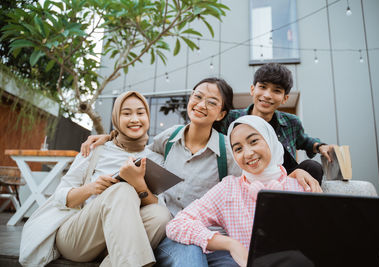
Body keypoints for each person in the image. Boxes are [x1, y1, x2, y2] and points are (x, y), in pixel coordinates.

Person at [80, 78, 321, 267]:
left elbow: (258, 173)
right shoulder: (168, 137)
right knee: (190, 256)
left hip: (213, 236)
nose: (201, 104)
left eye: (212, 102)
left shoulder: (231, 148)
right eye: (198, 96)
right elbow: (141, 145)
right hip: (170, 232)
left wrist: (294, 174)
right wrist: (110, 139)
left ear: (222, 114)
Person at [19, 91, 171, 267]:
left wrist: (139, 186)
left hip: (113, 243)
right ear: (116, 118)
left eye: (140, 113)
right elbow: (60, 196)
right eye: (127, 113)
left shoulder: (155, 158)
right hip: (77, 238)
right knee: (122, 190)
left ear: (148, 116)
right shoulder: (96, 149)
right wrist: (91, 188)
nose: (134, 119)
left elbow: (161, 207)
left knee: (161, 215)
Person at [166, 115, 310, 267]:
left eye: (254, 141)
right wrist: (231, 244)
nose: (248, 153)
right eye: (238, 148)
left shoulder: (302, 187)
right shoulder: (228, 190)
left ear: (270, 139)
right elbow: (177, 225)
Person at [221, 63, 335, 184]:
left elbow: (305, 141)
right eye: (263, 87)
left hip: (284, 179)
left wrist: (320, 146)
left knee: (312, 167)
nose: (267, 95)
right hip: (246, 177)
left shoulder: (291, 122)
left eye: (276, 91)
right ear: (252, 89)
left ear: (285, 98)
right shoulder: (231, 119)